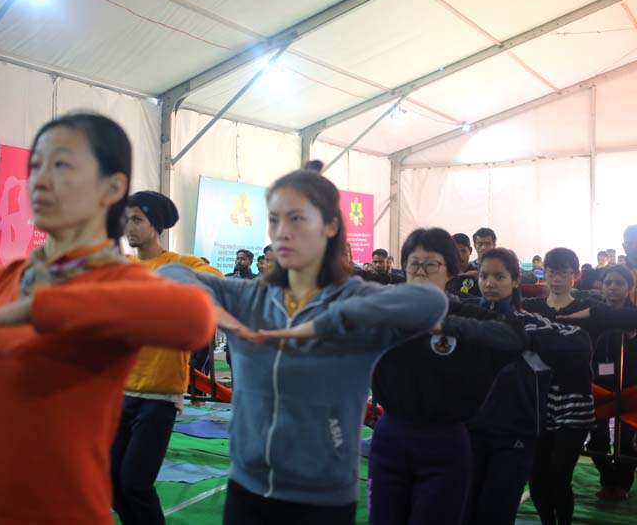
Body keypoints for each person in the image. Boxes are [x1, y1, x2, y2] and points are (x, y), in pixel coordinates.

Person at [0, 113, 216, 525]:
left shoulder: (121, 280)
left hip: (59, 507)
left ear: (111, 188)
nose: (42, 181)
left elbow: (193, 318)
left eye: (62, 165)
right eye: (36, 167)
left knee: (131, 483)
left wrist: (43, 308)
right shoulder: (6, 277)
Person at [159, 169, 449, 525]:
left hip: (321, 497)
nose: (283, 231)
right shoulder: (247, 297)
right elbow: (170, 275)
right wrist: (221, 315)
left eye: (296, 218)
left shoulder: (357, 300)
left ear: (330, 226)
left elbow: (429, 303)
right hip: (246, 487)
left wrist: (324, 323)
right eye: (275, 219)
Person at [364, 228, 526, 525]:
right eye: (414, 264)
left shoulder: (464, 314)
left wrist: (445, 325)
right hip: (390, 436)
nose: (420, 272)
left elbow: (513, 338)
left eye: (431, 264)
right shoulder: (385, 311)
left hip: (444, 440)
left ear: (451, 271)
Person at [116, 190, 222, 524]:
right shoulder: (123, 267)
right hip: (120, 392)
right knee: (112, 483)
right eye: (127, 219)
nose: (129, 227)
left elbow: (217, 283)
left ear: (156, 225)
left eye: (137, 219)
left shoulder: (179, 264)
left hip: (159, 395)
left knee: (134, 482)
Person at [462, 248, 590, 525]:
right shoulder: (465, 318)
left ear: (516, 280)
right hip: (469, 431)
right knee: (464, 509)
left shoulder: (529, 323)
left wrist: (522, 337)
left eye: (499, 276)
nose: (490, 283)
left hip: (513, 436)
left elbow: (580, 343)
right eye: (484, 276)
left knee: (495, 513)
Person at [522, 247, 596, 525]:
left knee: (560, 474)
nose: (557, 278)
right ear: (545, 273)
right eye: (552, 272)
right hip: (537, 398)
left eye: (564, 272)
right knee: (537, 473)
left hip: (575, 398)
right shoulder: (530, 307)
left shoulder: (588, 309)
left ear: (575, 275)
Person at [558, 265, 637, 502]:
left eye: (619, 283)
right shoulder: (592, 313)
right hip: (598, 388)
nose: (612, 288)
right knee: (596, 441)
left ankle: (622, 485)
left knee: (627, 442)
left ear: (630, 288)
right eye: (608, 282)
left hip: (631, 390)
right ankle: (608, 481)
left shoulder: (631, 316)